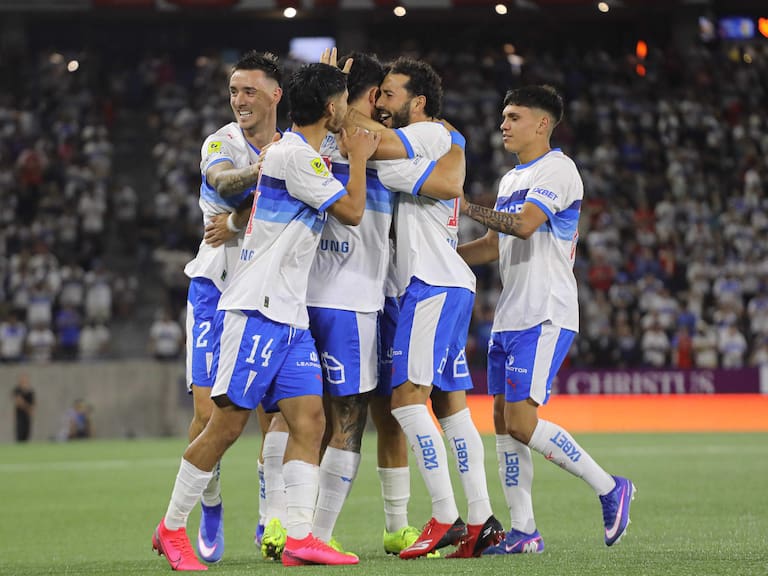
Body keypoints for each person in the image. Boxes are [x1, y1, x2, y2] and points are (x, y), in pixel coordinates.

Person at [151, 62, 379, 570]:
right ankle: (171, 529)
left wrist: (332, 79)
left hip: (289, 312)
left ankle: (297, 535)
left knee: (309, 419)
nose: (347, 110)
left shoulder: (298, 152)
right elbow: (353, 211)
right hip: (255, 308)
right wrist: (360, 158)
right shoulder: (293, 156)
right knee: (225, 425)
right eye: (342, 102)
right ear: (328, 108)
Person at [457, 85, 636, 555]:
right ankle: (524, 531)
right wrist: (445, 258)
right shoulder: (512, 179)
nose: (503, 124)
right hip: (510, 315)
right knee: (502, 420)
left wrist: (461, 206)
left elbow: (523, 224)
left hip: (546, 311)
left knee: (520, 421)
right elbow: (497, 245)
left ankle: (609, 486)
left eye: (513, 116)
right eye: (503, 116)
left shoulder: (559, 170)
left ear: (542, 123)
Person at [302, 50, 467, 559]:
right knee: (337, 418)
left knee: (391, 415)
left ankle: (399, 525)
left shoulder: (389, 141)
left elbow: (450, 167)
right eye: (382, 95)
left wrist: (333, 96)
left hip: (387, 295)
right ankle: (307, 531)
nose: (386, 104)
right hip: (344, 298)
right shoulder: (346, 142)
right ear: (370, 98)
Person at [370, 57, 504, 559]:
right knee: (450, 408)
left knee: (405, 399)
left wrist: (338, 108)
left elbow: (368, 145)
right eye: (377, 94)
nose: (381, 103)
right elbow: (448, 179)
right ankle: (481, 519)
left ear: (417, 102)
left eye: (388, 93)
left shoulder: (425, 133)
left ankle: (445, 515)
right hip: (447, 282)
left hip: (430, 284)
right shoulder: (442, 140)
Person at [182, 50, 283, 563]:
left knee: (271, 414)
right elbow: (222, 181)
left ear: (274, 95)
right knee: (208, 414)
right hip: (214, 288)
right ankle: (212, 504)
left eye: (248, 91)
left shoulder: (293, 147)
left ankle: (268, 517)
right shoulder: (221, 141)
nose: (239, 101)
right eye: (234, 92)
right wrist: (261, 171)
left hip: (266, 291)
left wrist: (240, 224)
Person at [12, 373, 35, 442]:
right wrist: (28, 407)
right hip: (20, 416)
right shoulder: (17, 390)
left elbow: (33, 404)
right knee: (20, 432)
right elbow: (19, 402)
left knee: (27, 433)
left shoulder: (30, 391)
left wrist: (28, 407)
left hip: (27, 416)